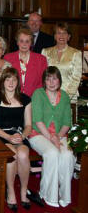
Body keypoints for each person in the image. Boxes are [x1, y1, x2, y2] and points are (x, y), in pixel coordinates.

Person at [29, 66, 75, 208]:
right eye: (48, 79)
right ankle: (47, 194)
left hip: (60, 134)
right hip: (39, 134)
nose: (51, 82)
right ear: (44, 81)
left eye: (54, 78)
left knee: (67, 155)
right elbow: (37, 120)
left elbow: (67, 122)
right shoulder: (38, 94)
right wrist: (51, 138)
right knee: (52, 153)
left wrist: (58, 136)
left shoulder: (65, 96)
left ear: (59, 81)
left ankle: (65, 195)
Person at [0, 67, 32, 211]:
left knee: (23, 154)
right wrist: (8, 137)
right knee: (12, 155)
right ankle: (11, 192)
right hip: (1, 136)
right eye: (7, 79)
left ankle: (23, 191)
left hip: (20, 135)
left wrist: (22, 136)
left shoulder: (25, 99)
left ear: (18, 82)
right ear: (2, 81)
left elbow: (28, 125)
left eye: (14, 79)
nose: (11, 82)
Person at [41, 22, 82, 102]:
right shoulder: (45, 52)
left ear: (69, 36)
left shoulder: (76, 53)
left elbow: (76, 78)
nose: (61, 36)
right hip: (49, 96)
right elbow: (43, 75)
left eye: (64, 33)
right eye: (59, 33)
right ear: (55, 36)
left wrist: (65, 97)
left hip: (69, 97)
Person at [4, 28, 48, 97]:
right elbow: (5, 80)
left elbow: (43, 82)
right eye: (21, 41)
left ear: (31, 43)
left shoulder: (41, 59)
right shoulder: (8, 58)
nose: (24, 44)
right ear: (17, 42)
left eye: (27, 41)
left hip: (34, 98)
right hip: (13, 98)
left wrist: (34, 97)